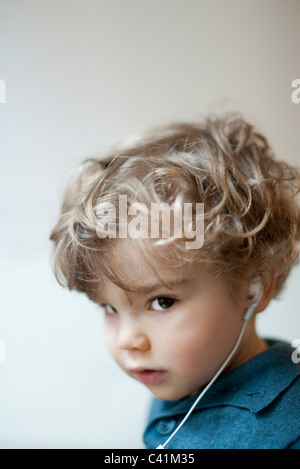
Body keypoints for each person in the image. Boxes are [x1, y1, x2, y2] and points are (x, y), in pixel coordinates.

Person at [50, 113, 300, 449]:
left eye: (162, 302)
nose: (128, 340)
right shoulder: (184, 379)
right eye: (109, 307)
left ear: (255, 287)